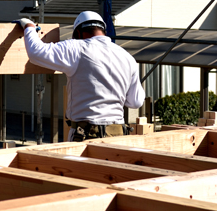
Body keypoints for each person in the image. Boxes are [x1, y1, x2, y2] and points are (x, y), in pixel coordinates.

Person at [17, 11, 144, 141]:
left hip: (87, 134)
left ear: (78, 33)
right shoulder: (127, 57)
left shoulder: (77, 48)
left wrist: (29, 27)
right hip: (118, 136)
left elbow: (36, 52)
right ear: (103, 30)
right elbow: (136, 102)